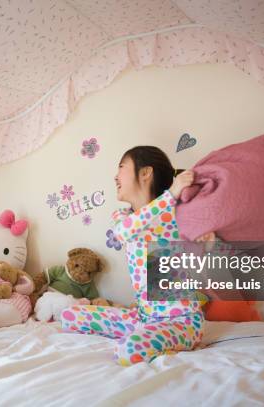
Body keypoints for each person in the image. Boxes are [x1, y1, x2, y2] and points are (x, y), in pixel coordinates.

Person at [61, 146, 215, 366]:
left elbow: (204, 251)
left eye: (121, 167)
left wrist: (207, 241)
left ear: (145, 173)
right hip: (144, 318)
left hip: (182, 321)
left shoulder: (178, 213)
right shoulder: (123, 217)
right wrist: (170, 195)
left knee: (128, 350)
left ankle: (172, 344)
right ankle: (151, 335)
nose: (116, 176)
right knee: (69, 316)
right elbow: (124, 232)